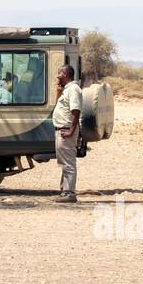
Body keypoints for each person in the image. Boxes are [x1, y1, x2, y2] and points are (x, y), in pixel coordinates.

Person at [52, 64, 83, 203]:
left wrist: (71, 130)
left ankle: (70, 193)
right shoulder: (66, 89)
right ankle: (64, 191)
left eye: (59, 73)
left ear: (65, 74)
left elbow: (75, 110)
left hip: (66, 129)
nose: (58, 76)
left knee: (68, 162)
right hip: (61, 129)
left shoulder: (74, 89)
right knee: (63, 162)